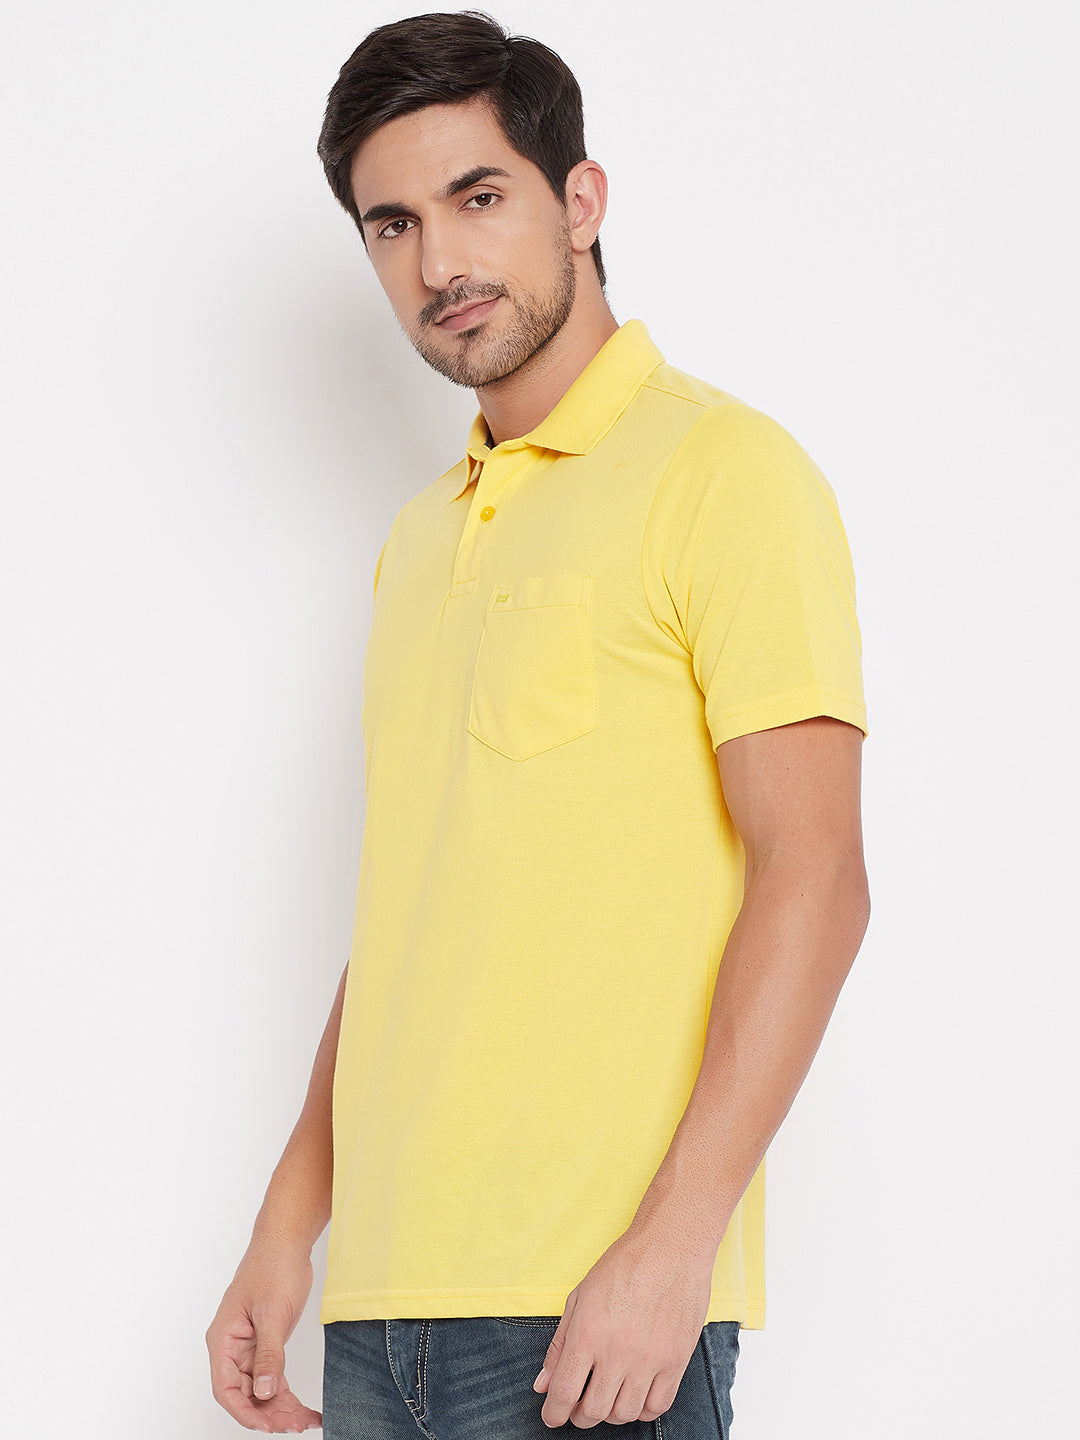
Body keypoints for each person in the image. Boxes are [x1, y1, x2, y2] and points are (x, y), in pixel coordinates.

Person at [206, 11, 870, 1437]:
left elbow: (817, 875)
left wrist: (673, 1248)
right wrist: (287, 1228)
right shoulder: (418, 542)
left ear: (581, 200)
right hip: (381, 1312)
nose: (438, 262)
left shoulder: (726, 473)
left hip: (591, 1308)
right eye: (392, 226)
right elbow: (412, 919)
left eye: (477, 197)